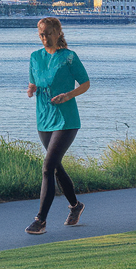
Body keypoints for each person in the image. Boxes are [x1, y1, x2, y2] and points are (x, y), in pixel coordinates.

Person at [24, 17, 91, 235]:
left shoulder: (69, 57)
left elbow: (86, 83)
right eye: (41, 34)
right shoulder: (35, 57)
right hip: (44, 119)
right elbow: (34, 81)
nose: (44, 38)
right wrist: (31, 89)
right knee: (56, 167)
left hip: (66, 120)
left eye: (48, 33)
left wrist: (68, 95)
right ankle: (75, 206)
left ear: (58, 32)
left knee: (47, 168)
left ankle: (40, 220)